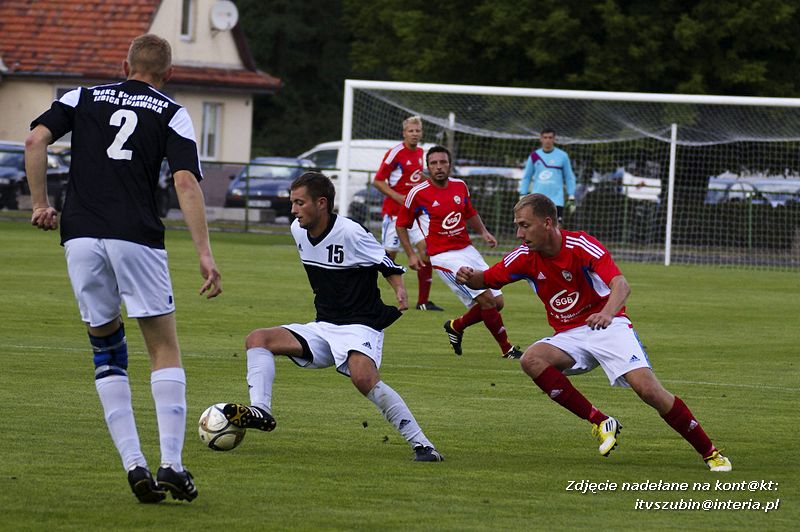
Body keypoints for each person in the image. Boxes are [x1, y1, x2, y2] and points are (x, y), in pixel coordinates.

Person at [26, 34, 223, 503]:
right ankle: (171, 464)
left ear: (125, 64)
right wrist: (204, 252)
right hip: (135, 235)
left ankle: (133, 463)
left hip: (79, 235)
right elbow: (184, 180)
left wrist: (40, 204)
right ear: (168, 74)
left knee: (106, 347)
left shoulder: (82, 96)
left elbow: (34, 138)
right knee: (162, 348)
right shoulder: (171, 110)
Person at [455, 194, 732, 471]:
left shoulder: (580, 245)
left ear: (547, 223)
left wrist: (607, 313)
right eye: (517, 225)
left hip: (610, 326)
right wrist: (470, 275)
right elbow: (488, 278)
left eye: (525, 225)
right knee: (531, 359)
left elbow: (621, 285)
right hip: (570, 335)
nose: (519, 233)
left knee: (648, 390)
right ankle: (600, 420)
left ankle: (710, 452)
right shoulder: (523, 258)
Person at [223, 171, 443, 462]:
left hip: (362, 324)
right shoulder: (297, 230)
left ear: (322, 203)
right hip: (324, 326)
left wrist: (399, 289)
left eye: (299, 203)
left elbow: (384, 260)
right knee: (258, 339)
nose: (293, 210)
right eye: (293, 203)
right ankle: (261, 411)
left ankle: (423, 445)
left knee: (363, 378)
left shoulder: (351, 232)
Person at [396, 145, 522, 359]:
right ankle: (507, 349)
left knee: (498, 303)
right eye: (433, 163)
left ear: (450, 165)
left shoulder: (460, 186)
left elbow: (469, 212)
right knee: (487, 301)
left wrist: (484, 233)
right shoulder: (417, 193)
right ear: (427, 167)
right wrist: (411, 254)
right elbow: (401, 224)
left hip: (467, 250)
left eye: (443, 162)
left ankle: (455, 326)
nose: (438, 167)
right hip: (444, 256)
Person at [373, 116, 443, 312]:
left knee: (428, 251)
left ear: (421, 133)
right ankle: (378, 293)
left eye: (417, 131)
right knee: (387, 258)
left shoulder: (422, 153)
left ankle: (423, 301)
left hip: (416, 213)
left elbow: (416, 176)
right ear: (404, 133)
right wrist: (399, 198)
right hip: (394, 213)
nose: (415, 134)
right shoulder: (395, 153)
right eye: (411, 131)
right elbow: (378, 181)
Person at [517, 128, 576, 225]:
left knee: (556, 228)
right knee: (536, 228)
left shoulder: (562, 156)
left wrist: (571, 195)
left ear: (554, 139)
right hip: (537, 199)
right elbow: (527, 176)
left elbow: (569, 177)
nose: (547, 140)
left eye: (550, 137)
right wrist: (522, 194)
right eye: (545, 137)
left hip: (556, 200)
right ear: (541, 139)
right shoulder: (535, 156)